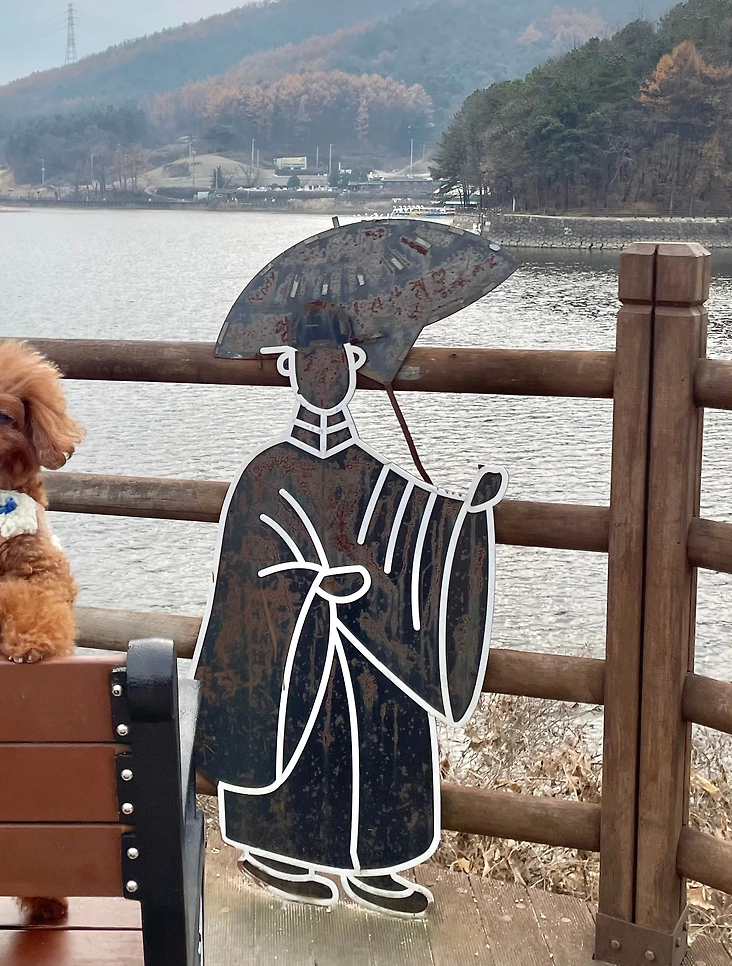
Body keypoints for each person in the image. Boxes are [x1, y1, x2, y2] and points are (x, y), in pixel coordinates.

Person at [193, 300, 505, 916]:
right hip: (290, 643)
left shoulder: (372, 474)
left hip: (372, 642)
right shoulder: (265, 474)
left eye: (335, 362)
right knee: (303, 725)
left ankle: (377, 862)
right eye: (310, 362)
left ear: (354, 363)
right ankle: (276, 853)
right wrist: (308, 588)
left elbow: (418, 534)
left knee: (382, 715)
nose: (324, 374)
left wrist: (465, 516)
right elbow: (245, 576)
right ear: (290, 368)